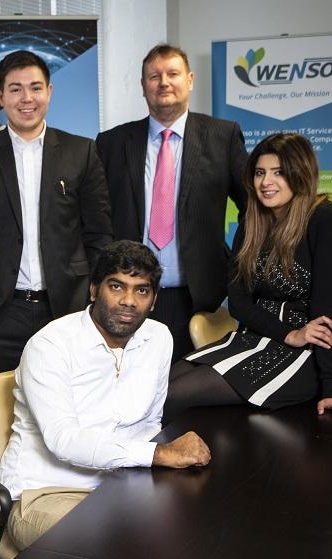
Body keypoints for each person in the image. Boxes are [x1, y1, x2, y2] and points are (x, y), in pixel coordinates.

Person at [0, 240, 211, 550]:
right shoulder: (50, 345)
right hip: (47, 495)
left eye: (141, 290)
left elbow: (150, 422)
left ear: (153, 301)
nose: (128, 301)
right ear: (94, 290)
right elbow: (64, 440)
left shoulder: (158, 337)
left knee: (198, 526)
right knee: (119, 547)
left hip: (122, 485)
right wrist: (159, 455)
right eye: (117, 286)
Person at [165, 133, 332, 422]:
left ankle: (143, 456)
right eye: (260, 172)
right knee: (163, 386)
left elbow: (327, 309)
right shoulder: (250, 222)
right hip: (256, 335)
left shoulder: (326, 220)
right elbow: (238, 302)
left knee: (177, 394)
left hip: (303, 352)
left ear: (300, 174)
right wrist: (286, 332)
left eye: (278, 172)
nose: (266, 182)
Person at [0, 50, 113, 372]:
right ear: (0, 96)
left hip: (68, 307)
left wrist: (92, 293)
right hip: (2, 310)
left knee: (71, 398)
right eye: (15, 89)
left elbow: (98, 232)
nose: (26, 98)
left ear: (50, 92)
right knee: (1, 403)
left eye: (35, 87)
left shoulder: (81, 151)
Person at [96, 43, 248, 362]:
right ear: (143, 86)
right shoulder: (112, 143)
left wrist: (238, 262)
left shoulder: (223, 136)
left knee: (189, 392)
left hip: (197, 297)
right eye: (154, 76)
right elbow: (97, 216)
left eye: (173, 73)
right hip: (129, 294)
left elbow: (253, 207)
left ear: (189, 80)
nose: (163, 82)